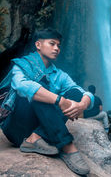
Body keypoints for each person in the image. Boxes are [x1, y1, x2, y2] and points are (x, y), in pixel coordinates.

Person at [0, 28, 95, 176]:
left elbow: (81, 92)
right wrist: (59, 100)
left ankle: (36, 138)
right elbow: (21, 85)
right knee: (40, 87)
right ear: (38, 45)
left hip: (40, 127)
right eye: (52, 44)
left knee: (74, 94)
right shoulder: (21, 65)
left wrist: (82, 105)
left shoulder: (59, 74)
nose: (56, 48)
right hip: (16, 128)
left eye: (58, 45)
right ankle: (67, 146)